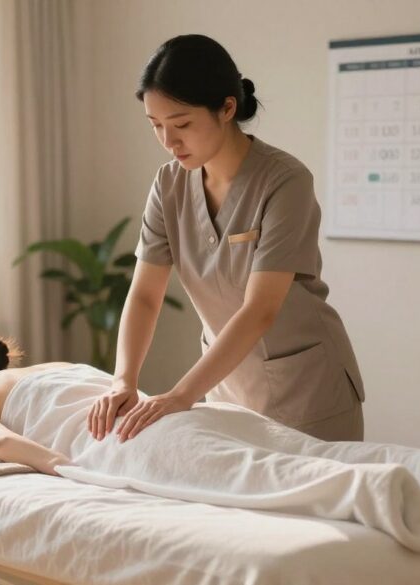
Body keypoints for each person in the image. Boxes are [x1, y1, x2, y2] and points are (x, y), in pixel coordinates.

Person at [0, 327, 420, 552]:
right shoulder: (49, 367)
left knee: (265, 476)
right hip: (187, 411)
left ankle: (380, 494)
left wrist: (65, 467)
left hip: (135, 440)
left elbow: (9, 448)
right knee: (308, 451)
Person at [87, 34, 365, 444]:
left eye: (181, 124)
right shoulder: (168, 185)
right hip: (225, 388)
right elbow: (146, 295)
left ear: (226, 108)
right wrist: (122, 380)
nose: (169, 141)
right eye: (156, 126)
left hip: (307, 392)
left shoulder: (285, 180)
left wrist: (180, 395)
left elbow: (260, 309)